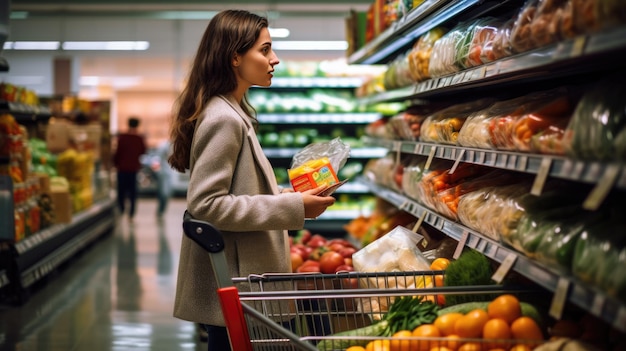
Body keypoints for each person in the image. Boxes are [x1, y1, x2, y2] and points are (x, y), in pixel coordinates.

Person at [168, 9, 336, 350]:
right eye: (265, 50)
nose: (274, 59)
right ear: (234, 57)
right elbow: (206, 204)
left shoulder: (234, 111)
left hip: (243, 280)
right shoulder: (224, 119)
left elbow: (235, 191)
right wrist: (292, 206)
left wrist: (285, 197)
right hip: (238, 284)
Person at [113, 117, 147, 219]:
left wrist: (115, 163)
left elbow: (117, 152)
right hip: (133, 169)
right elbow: (143, 151)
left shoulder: (122, 137)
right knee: (132, 192)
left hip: (122, 168)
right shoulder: (139, 138)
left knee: (121, 190)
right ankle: (131, 213)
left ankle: (121, 209)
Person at [155, 140, 174, 217]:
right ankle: (160, 210)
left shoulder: (170, 146)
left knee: (165, 193)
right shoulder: (163, 146)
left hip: (168, 173)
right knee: (163, 193)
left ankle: (161, 210)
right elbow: (157, 160)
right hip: (163, 173)